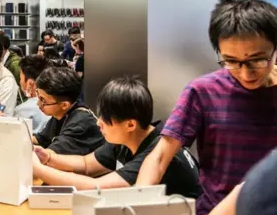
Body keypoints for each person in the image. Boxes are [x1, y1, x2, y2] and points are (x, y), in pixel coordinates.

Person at [136, 0, 277, 215]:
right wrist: (137, 204)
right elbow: (160, 156)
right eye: (231, 61)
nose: (245, 73)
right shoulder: (201, 92)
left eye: (257, 60)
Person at [32, 77, 201, 197]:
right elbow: (86, 164)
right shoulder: (128, 138)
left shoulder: (157, 150)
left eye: (106, 120)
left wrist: (39, 169)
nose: (99, 123)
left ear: (130, 124)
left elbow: (95, 187)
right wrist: (48, 158)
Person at [32, 67, 104, 155]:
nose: (38, 104)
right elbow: (41, 139)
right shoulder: (61, 113)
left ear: (64, 105)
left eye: (43, 100)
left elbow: (50, 156)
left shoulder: (80, 125)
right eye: (38, 96)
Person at [0, 55, 52, 133]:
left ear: (30, 83)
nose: (20, 82)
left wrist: (1, 119)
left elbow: (12, 133)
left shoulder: (23, 110)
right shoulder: (56, 104)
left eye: (21, 79)